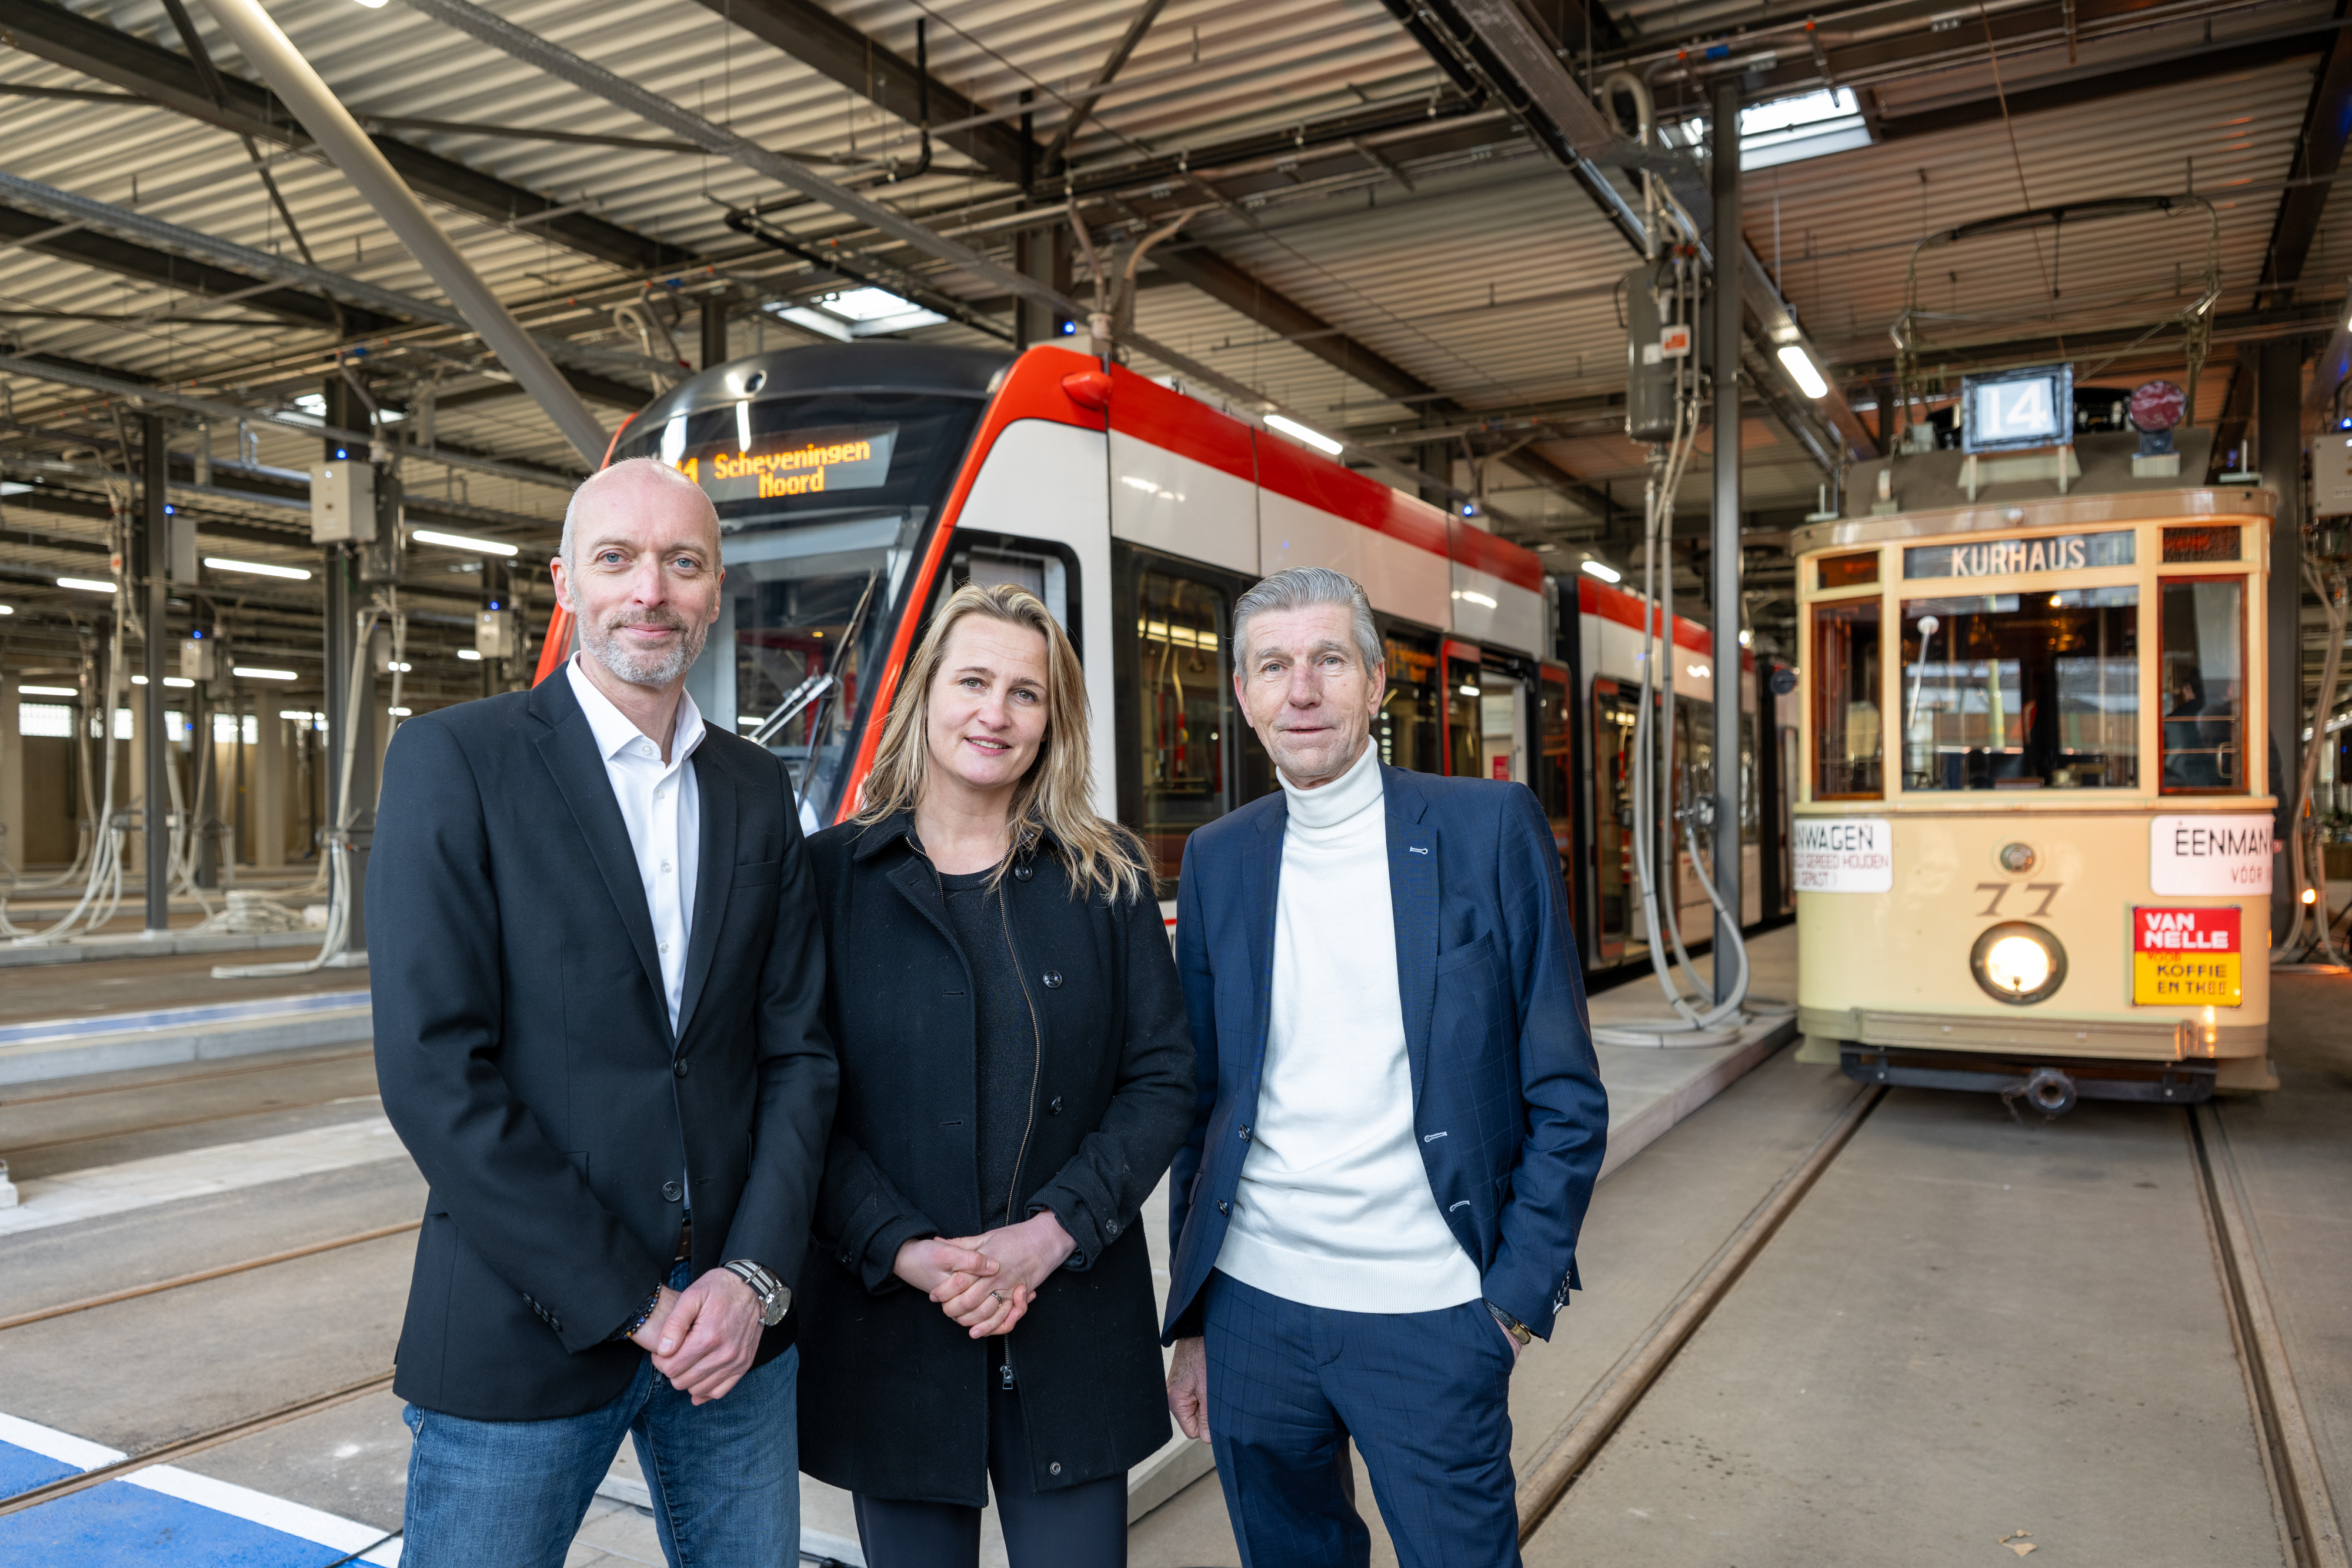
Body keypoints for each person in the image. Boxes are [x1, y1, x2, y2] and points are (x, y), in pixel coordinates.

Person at [368, 456, 837, 1567]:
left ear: (715, 592)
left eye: (683, 563)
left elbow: (799, 1054)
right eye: (617, 559)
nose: (650, 591)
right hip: (524, 1323)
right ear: (566, 583)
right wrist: (636, 1302)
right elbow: (435, 1072)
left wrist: (752, 1279)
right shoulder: (455, 760)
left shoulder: (756, 788)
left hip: (731, 1335)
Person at [1160, 566, 1609, 1568]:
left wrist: (1510, 1303)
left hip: (1430, 1312)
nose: (1301, 690)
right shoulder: (1220, 857)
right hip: (1253, 1312)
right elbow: (1204, 1102)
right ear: (1243, 695)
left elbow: (1566, 1092)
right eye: (1273, 666)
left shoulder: (1488, 828)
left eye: (1329, 660)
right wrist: (1197, 1321)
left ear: (1375, 682)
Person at [799, 581, 1195, 1568]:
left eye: (1026, 693)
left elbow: (1162, 1079)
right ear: (926, 692)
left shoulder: (1105, 874)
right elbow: (796, 1095)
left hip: (1070, 1317)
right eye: (973, 681)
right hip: (895, 1321)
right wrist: (902, 1248)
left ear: (1053, 719)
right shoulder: (828, 877)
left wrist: (1050, 1234)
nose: (996, 713)